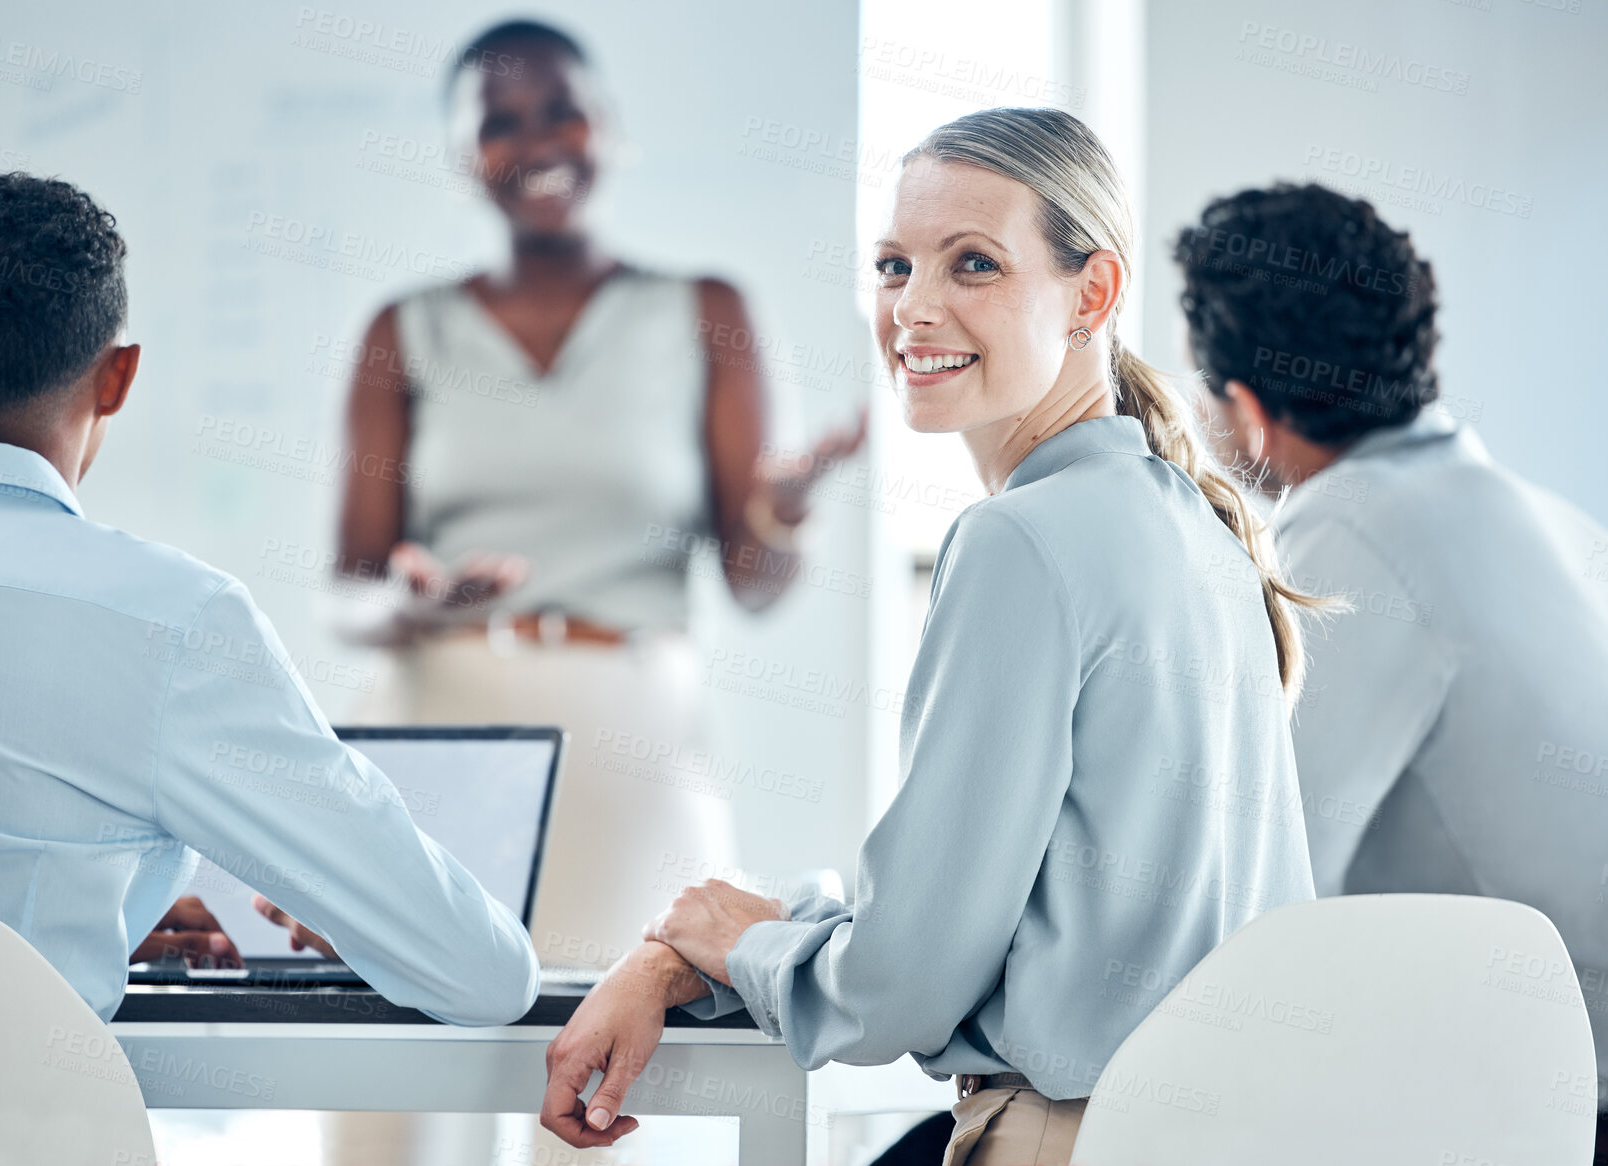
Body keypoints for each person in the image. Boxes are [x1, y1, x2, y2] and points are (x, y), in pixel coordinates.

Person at [539, 107, 1318, 1166]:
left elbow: (896, 988)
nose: (915, 306)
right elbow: (960, 900)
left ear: (1091, 293)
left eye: (974, 265)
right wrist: (708, 944)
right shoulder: (1195, 527)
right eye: (895, 264)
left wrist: (731, 945)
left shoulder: (1019, 542)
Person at [0, 171, 540, 1029]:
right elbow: (482, 978)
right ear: (117, 379)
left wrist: (99, 911)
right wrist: (378, 926)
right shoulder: (173, 620)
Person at [335, 18, 865, 972]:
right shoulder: (402, 331)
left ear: (607, 127)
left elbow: (751, 584)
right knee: (400, 1081)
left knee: (626, 1058)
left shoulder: (706, 312)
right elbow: (349, 591)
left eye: (560, 112)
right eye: (501, 122)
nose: (537, 142)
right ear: (463, 156)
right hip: (437, 729)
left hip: (633, 738)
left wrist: (781, 512)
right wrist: (413, 607)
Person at [1173, 181, 1608, 1157]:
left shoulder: (1346, 533)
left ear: (1243, 410)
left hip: (1550, 1109)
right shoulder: (1533, 514)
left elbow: (1251, 899)